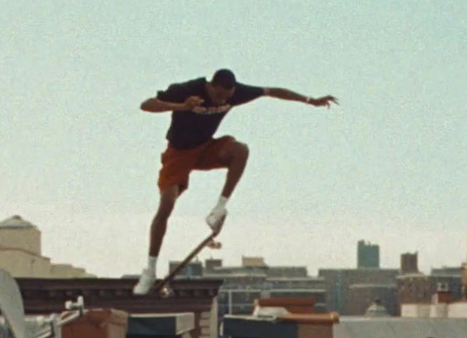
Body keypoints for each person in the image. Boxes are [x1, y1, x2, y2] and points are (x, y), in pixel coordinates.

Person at [132, 69, 336, 295]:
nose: (224, 101)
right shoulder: (188, 89)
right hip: (178, 154)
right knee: (166, 206)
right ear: (212, 86)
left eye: (227, 98)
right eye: (220, 97)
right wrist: (182, 106)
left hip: (206, 149)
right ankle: (150, 270)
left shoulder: (236, 93)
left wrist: (310, 100)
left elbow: (272, 91)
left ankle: (219, 208)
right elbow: (147, 104)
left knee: (240, 150)